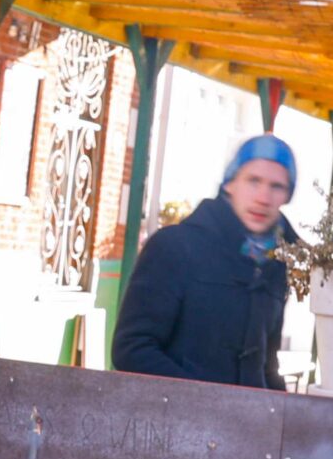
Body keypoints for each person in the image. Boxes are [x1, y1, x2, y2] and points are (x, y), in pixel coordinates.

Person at [113, 134, 298, 389]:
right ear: (230, 183)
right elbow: (132, 348)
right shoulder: (174, 247)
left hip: (247, 423)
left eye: (277, 186)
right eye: (253, 180)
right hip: (173, 421)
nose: (263, 198)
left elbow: (266, 365)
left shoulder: (279, 264)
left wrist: (284, 416)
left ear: (287, 195)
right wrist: (203, 401)